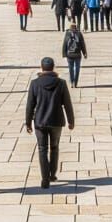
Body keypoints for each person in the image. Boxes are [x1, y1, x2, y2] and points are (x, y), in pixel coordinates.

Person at [25, 56, 75, 188]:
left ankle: (45, 179)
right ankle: (52, 175)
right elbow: (67, 104)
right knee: (54, 147)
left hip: (40, 121)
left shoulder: (35, 83)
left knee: (42, 149)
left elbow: (30, 105)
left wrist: (28, 122)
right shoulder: (61, 83)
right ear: (53, 68)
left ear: (41, 68)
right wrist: (71, 121)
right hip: (56, 121)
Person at [61, 21, 88, 87]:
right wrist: (64, 53)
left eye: (73, 27)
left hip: (75, 54)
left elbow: (82, 44)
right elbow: (65, 43)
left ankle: (74, 82)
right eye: (72, 27)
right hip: (71, 55)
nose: (73, 28)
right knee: (72, 69)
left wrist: (84, 53)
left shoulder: (77, 34)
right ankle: (72, 81)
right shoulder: (69, 33)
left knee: (76, 69)